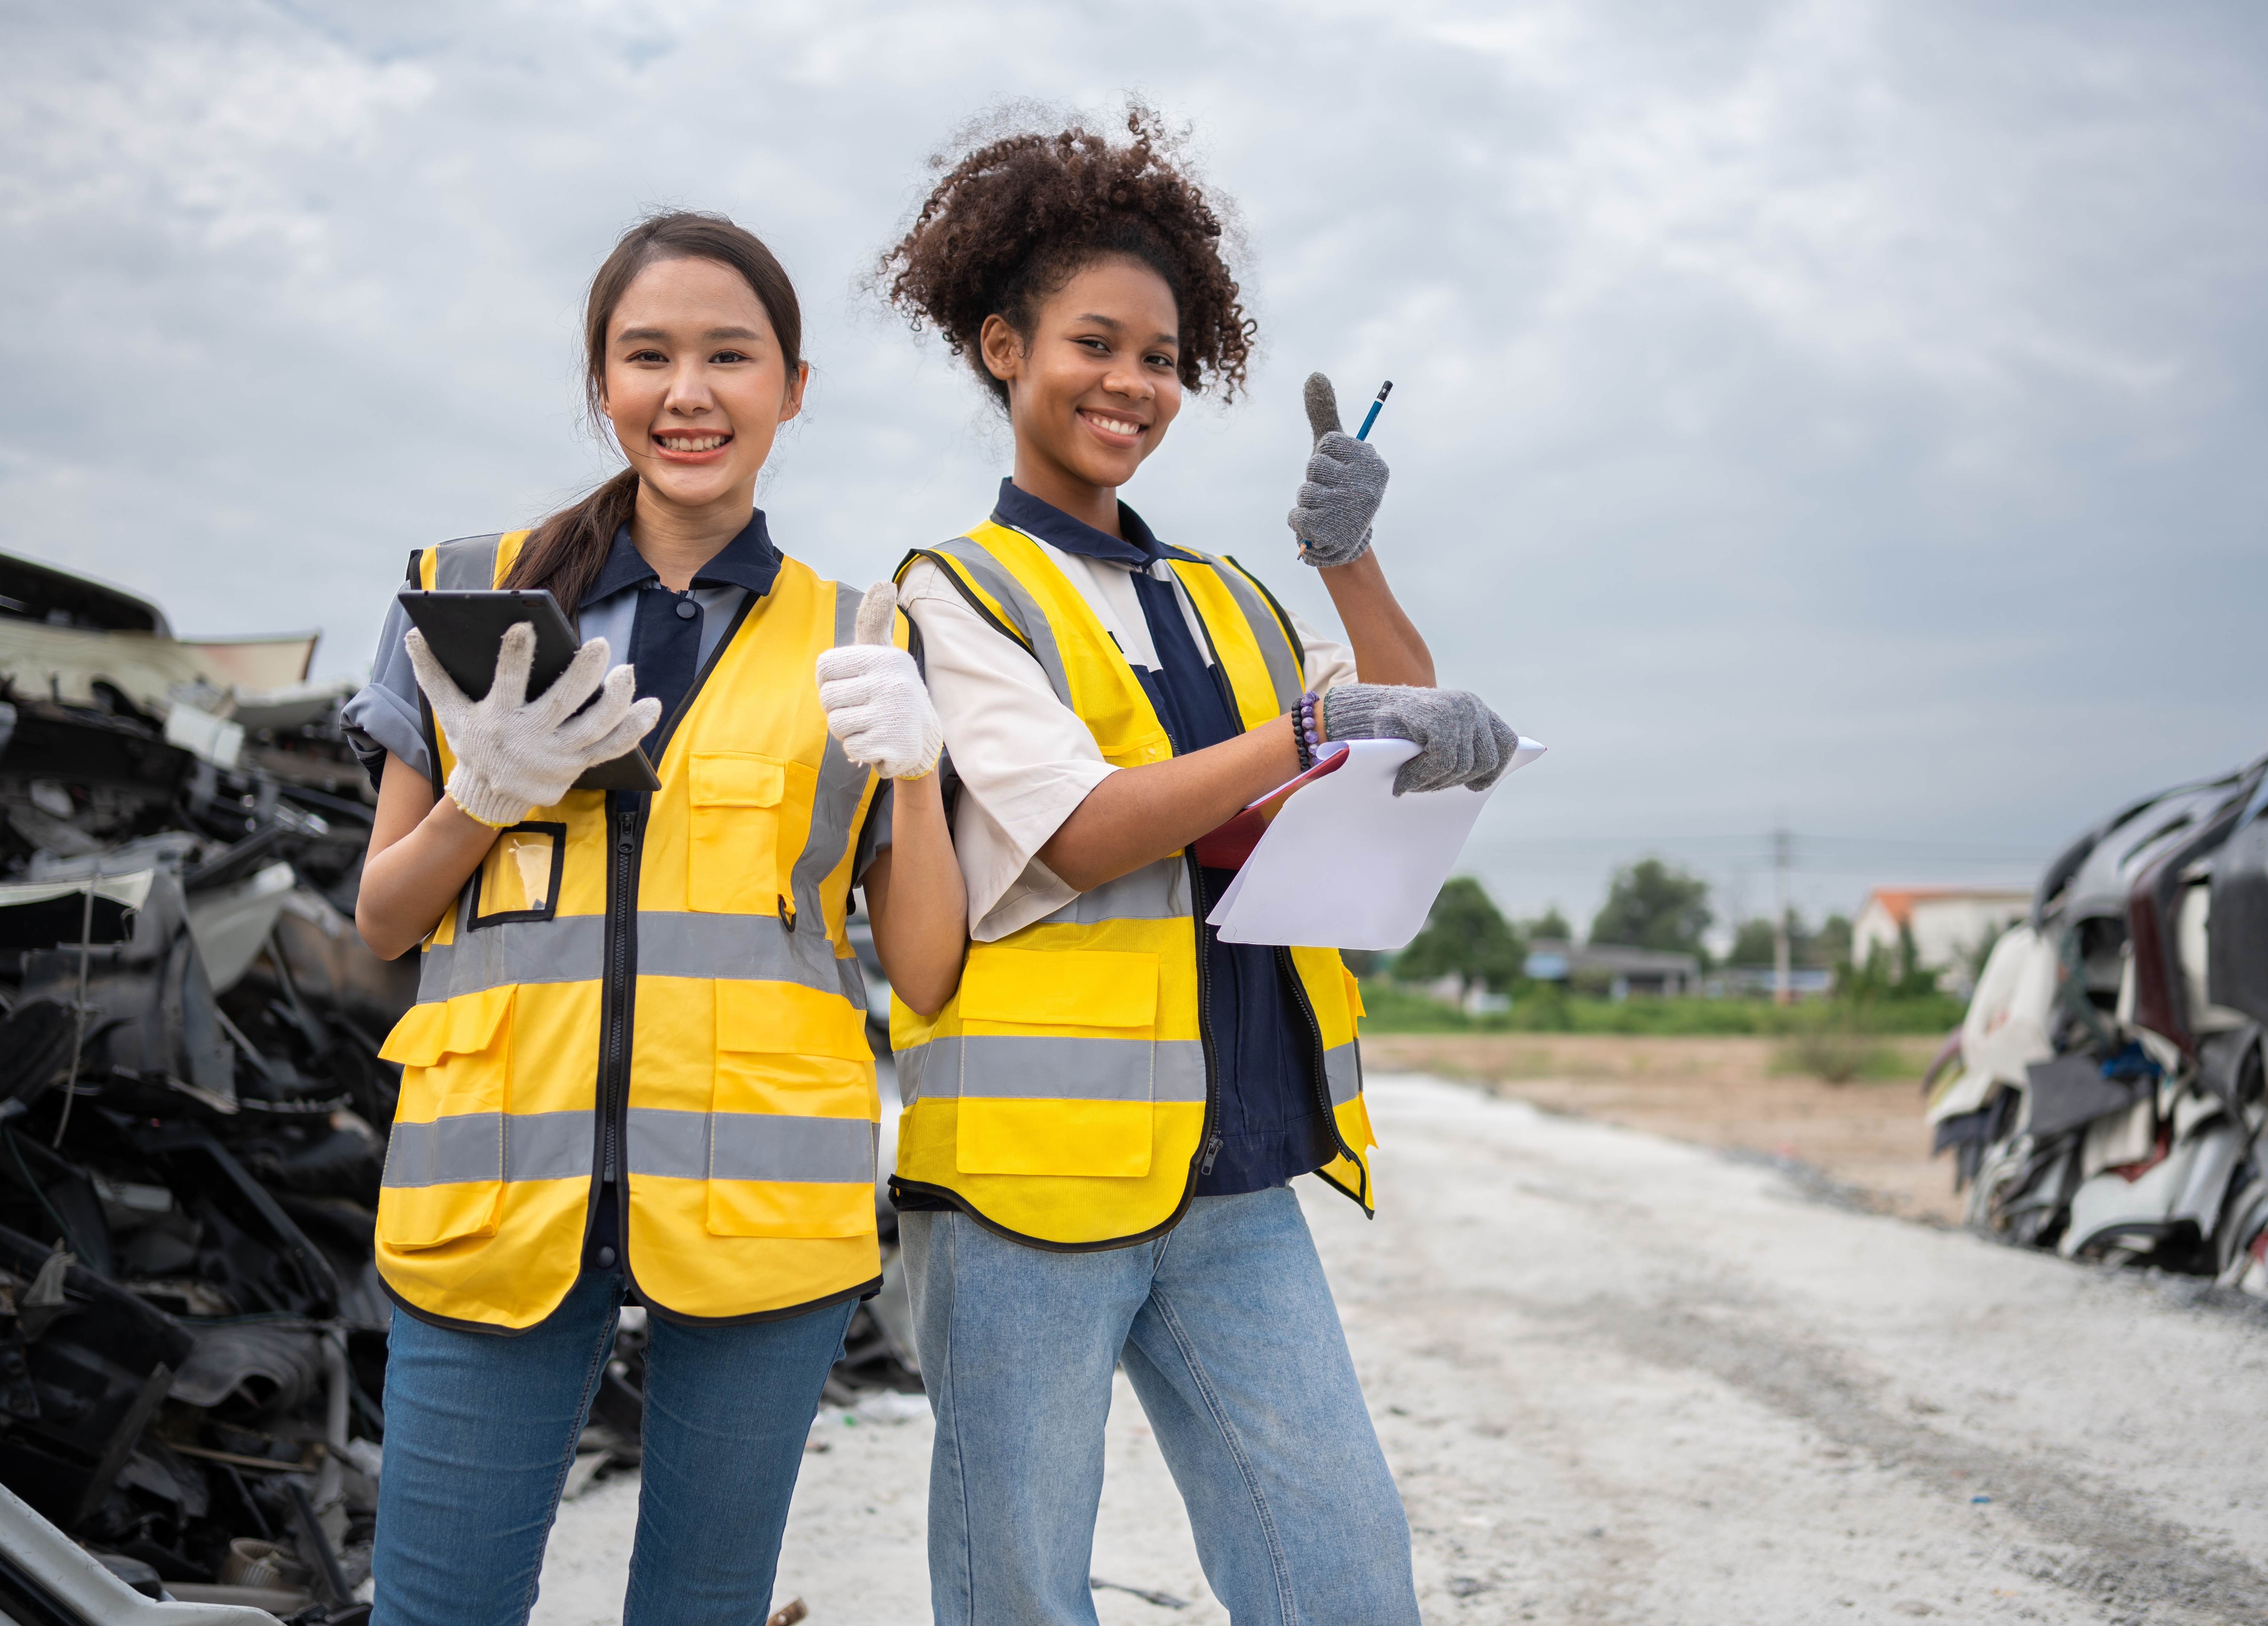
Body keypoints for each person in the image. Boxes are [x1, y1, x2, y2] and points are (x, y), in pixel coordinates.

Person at [870, 108, 1515, 1626]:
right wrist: (1308, 722)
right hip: (1024, 1190)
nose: (1133, 384)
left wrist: (1350, 564)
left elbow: (1378, 745)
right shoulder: (954, 591)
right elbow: (1086, 824)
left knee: (1343, 1576)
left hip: (1235, 1166)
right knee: (1019, 1592)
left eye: (1161, 358)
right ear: (1000, 348)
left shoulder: (1225, 593)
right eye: (1096, 343)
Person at [340, 210, 965, 1626]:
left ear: (793, 387)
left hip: (761, 1200)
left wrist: (920, 775)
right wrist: (478, 798)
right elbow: (384, 916)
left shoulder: (863, 637)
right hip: (494, 1179)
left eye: (730, 356)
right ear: (601, 383)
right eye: (649, 356)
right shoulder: (464, 594)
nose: (690, 393)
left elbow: (924, 970)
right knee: (435, 1611)